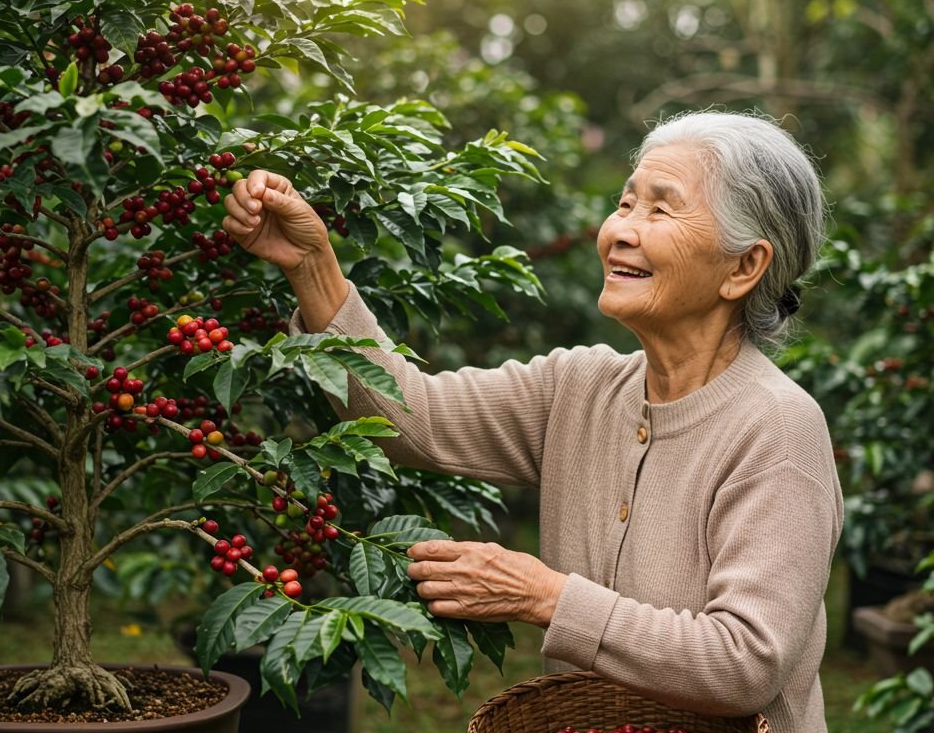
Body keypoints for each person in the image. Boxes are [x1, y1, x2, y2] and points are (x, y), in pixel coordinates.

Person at [222, 110, 843, 732]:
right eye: (626, 203)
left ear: (743, 267)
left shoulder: (776, 429)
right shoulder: (579, 387)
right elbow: (411, 418)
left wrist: (545, 595)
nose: (621, 231)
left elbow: (745, 663)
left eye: (661, 209)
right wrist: (312, 265)